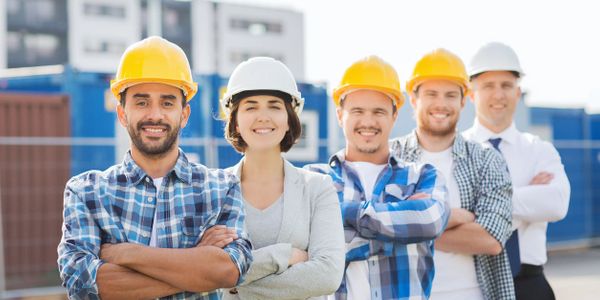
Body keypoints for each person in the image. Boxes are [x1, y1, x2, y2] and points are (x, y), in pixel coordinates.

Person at [57, 36, 252, 299]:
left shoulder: (221, 188)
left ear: (184, 115)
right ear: (122, 113)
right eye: (141, 101)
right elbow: (83, 283)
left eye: (167, 102)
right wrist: (197, 265)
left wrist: (127, 254)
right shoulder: (87, 193)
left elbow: (229, 271)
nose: (155, 115)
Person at [307, 55, 450, 300]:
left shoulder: (423, 176)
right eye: (358, 111)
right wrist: (399, 230)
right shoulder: (313, 179)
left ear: (394, 116)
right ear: (340, 115)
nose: (368, 121)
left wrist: (341, 214)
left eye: (379, 111)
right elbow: (305, 251)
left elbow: (430, 220)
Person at [212, 56, 345, 299]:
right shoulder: (212, 190)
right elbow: (204, 271)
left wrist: (235, 284)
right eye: (251, 106)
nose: (263, 116)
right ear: (236, 121)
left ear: (289, 118)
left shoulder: (317, 189)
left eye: (274, 105)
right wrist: (282, 255)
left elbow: (328, 274)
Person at [391, 48, 515, 300]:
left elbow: (491, 240)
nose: (441, 104)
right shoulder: (390, 156)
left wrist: (409, 225)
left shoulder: (486, 159)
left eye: (450, 95)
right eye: (431, 94)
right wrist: (453, 217)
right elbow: (372, 226)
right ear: (414, 100)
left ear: (462, 100)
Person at [464, 42, 570, 300]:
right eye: (488, 86)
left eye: (506, 86)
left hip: (530, 286)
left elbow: (556, 204)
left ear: (518, 92)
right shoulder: (456, 152)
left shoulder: (539, 150)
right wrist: (527, 198)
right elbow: (447, 218)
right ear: (471, 94)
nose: (498, 95)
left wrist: (480, 208)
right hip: (471, 286)